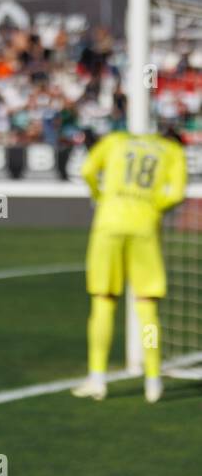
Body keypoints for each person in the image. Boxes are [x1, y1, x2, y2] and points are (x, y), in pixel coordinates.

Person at [72, 127, 188, 403]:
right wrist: (152, 206)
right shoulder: (172, 151)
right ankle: (153, 380)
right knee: (146, 304)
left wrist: (100, 196)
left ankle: (97, 379)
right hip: (145, 226)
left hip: (109, 223)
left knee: (103, 299)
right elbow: (176, 194)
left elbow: (87, 170)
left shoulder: (115, 141)